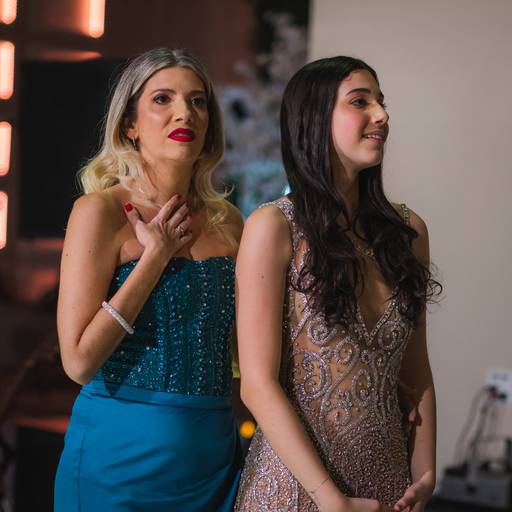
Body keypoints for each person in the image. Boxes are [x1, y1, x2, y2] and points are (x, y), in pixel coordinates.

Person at [234, 56, 441, 512]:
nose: (382, 115)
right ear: (314, 118)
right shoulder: (273, 227)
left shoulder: (408, 232)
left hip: (390, 488)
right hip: (296, 490)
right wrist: (333, 502)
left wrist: (425, 475)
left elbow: (416, 372)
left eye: (381, 102)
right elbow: (257, 385)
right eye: (360, 102)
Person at [54, 47, 244, 511]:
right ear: (129, 126)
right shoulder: (99, 213)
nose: (185, 113)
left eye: (198, 101)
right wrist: (153, 259)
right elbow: (78, 362)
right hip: (118, 465)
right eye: (163, 99)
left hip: (214, 462)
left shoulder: (230, 223)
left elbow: (245, 354)